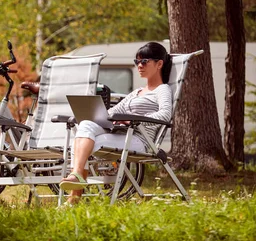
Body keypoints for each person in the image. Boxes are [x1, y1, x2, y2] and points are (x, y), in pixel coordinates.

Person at [60, 42, 173, 204]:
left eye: (144, 61)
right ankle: (76, 177)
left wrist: (133, 119)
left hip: (140, 140)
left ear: (159, 64)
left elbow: (165, 115)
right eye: (137, 62)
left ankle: (73, 199)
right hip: (123, 134)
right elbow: (112, 113)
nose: (139, 66)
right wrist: (104, 115)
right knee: (85, 125)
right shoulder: (136, 92)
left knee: (82, 144)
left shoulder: (162, 90)